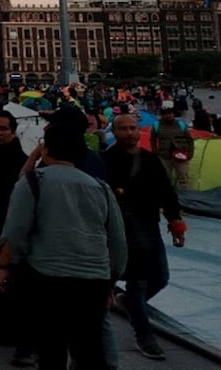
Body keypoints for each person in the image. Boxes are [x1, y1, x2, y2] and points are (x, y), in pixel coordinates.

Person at [0, 114, 126, 370]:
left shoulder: (33, 182)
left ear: (46, 149)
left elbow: (15, 231)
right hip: (94, 280)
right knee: (89, 351)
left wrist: (4, 267)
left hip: (48, 279)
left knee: (52, 350)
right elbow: (117, 241)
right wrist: (111, 280)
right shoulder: (101, 188)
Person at [104, 112, 187, 360]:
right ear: (115, 132)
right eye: (124, 129)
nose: (130, 133)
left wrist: (175, 221)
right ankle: (144, 335)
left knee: (161, 278)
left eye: (133, 128)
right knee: (138, 284)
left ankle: (130, 304)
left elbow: (166, 192)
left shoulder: (150, 161)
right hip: (124, 232)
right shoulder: (107, 161)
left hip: (149, 227)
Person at [0, 110, 32, 365]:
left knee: (15, 285)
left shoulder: (21, 161)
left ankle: (22, 338)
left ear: (13, 131)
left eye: (3, 128)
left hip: (11, 229)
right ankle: (3, 328)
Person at [150, 101, 195, 190]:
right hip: (164, 156)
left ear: (173, 113)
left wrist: (190, 153)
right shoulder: (156, 125)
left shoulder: (181, 124)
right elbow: (152, 140)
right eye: (164, 114)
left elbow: (189, 139)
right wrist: (155, 151)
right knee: (164, 179)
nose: (167, 115)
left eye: (169, 113)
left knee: (183, 179)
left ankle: (186, 198)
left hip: (181, 155)